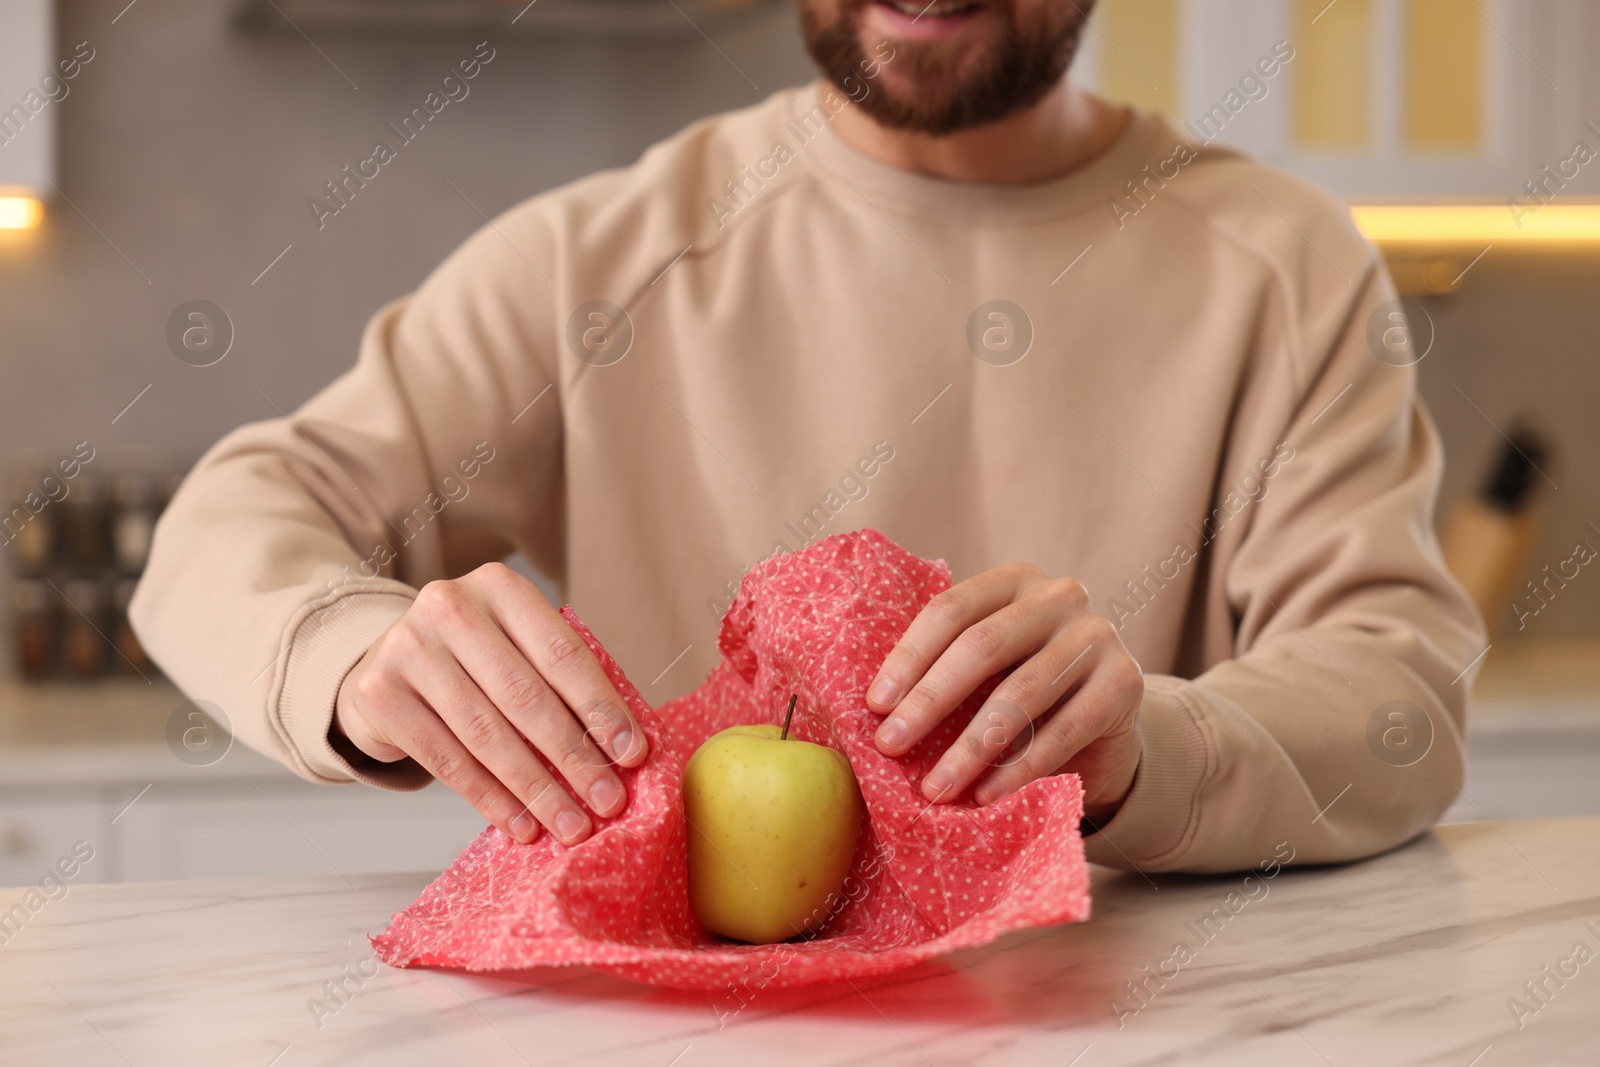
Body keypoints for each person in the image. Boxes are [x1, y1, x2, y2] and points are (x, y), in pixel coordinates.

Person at [132, 0, 1485, 874]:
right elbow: (234, 520)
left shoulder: (1284, 267)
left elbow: (1398, 701)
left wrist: (1150, 754)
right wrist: (351, 651)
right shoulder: (592, 261)